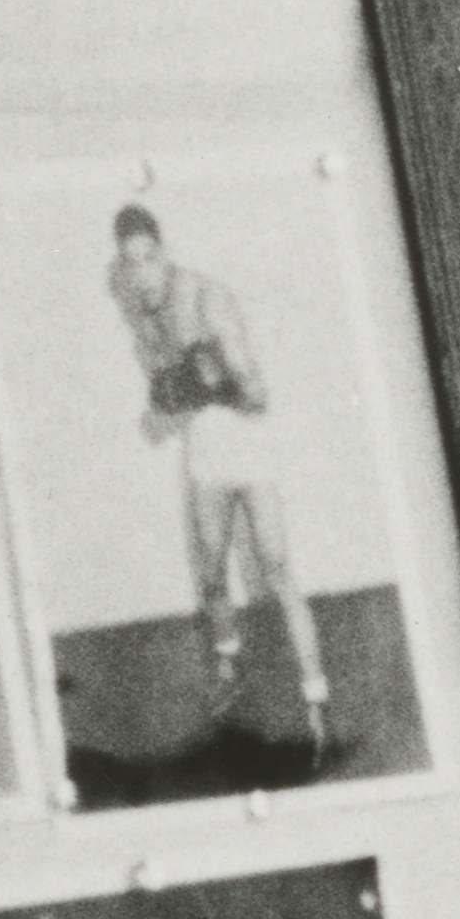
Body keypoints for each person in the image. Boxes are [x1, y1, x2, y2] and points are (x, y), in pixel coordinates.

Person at [107, 196, 326, 750]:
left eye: (149, 257)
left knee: (277, 569)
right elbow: (166, 404)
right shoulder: (142, 316)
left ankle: (317, 698)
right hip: (205, 451)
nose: (142, 271)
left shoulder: (208, 297)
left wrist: (219, 377)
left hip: (247, 446)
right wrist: (168, 399)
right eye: (130, 262)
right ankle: (228, 677)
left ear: (164, 252)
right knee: (209, 574)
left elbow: (256, 395)